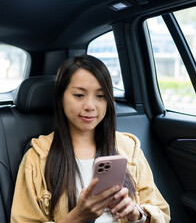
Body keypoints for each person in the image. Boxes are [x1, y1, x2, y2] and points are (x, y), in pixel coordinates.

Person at [11, 55, 170, 223]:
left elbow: (162, 213)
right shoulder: (37, 159)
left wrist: (136, 214)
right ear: (60, 98)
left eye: (100, 96)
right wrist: (77, 217)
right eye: (79, 95)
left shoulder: (129, 148)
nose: (90, 106)